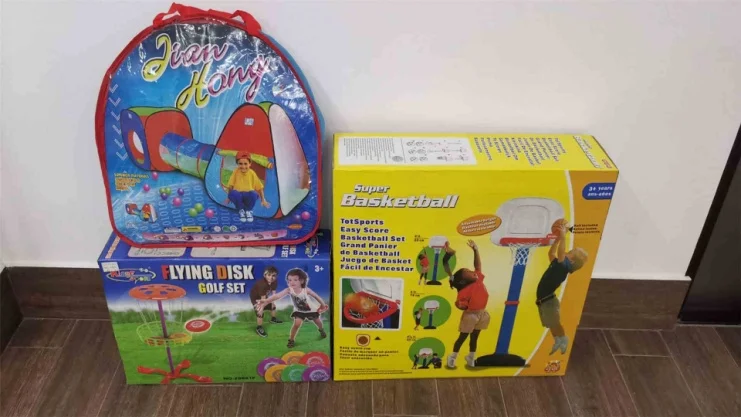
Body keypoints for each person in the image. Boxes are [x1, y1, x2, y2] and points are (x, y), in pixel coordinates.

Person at [537, 221, 588, 355]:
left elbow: (560, 253)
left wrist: (563, 236)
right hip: (544, 301)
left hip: (549, 302)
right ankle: (558, 340)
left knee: (555, 323)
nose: (566, 251)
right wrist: (557, 239)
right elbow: (551, 253)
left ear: (571, 261)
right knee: (551, 324)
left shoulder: (563, 267)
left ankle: (563, 339)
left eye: (570, 252)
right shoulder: (559, 264)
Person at [444, 240, 490, 369]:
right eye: (469, 272)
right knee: (462, 337)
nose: (472, 271)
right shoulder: (463, 292)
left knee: (475, 337)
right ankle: (452, 356)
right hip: (471, 315)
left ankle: (471, 356)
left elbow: (478, 266)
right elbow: (460, 305)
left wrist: (476, 249)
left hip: (482, 313)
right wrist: (460, 305)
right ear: (463, 281)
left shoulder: (478, 279)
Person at [257, 268, 328, 348]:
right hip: (299, 311)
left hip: (311, 310)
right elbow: (277, 296)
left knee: (318, 322)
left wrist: (323, 305)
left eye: (295, 280)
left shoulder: (306, 290)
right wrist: (266, 300)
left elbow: (316, 296)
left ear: (302, 281)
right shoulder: (289, 290)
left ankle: (321, 330)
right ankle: (291, 340)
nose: (292, 282)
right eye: (289, 280)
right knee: (296, 324)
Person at [226, 151, 270, 223]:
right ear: (237, 164)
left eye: (245, 164)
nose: (243, 166)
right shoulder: (236, 172)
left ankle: (248, 211)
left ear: (250, 164)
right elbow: (230, 186)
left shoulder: (252, 173)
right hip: (238, 195)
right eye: (240, 164)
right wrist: (228, 198)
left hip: (248, 196)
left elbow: (260, 188)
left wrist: (263, 200)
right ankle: (241, 210)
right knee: (233, 193)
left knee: (253, 194)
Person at [249, 266, 283, 338]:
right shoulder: (262, 284)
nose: (271, 277)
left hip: (264, 297)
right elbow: (263, 300)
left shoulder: (274, 282)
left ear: (276, 276)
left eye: (273, 275)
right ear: (264, 275)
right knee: (260, 311)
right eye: (269, 275)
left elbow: (274, 294)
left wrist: (272, 302)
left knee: (273, 306)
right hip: (256, 299)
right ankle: (259, 327)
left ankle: (273, 319)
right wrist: (261, 308)